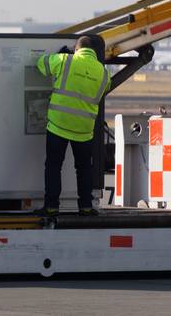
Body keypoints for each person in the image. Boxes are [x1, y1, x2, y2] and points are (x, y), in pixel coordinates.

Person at [36, 36, 111, 216]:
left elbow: (41, 64)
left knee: (54, 166)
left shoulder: (65, 60)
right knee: (84, 168)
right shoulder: (104, 72)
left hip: (58, 124)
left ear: (76, 49)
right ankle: (85, 206)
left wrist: (60, 55)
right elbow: (105, 88)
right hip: (84, 129)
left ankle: (52, 206)